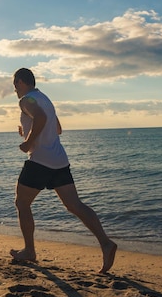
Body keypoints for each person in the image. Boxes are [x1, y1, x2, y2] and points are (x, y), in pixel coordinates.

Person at [10, 68, 117, 273]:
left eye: (15, 84)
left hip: (40, 160)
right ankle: (105, 242)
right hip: (59, 160)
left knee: (22, 202)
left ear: (21, 82)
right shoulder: (45, 98)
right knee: (74, 205)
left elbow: (40, 119)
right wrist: (27, 131)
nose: (14, 89)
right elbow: (57, 128)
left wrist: (28, 142)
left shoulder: (26, 100)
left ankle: (30, 251)